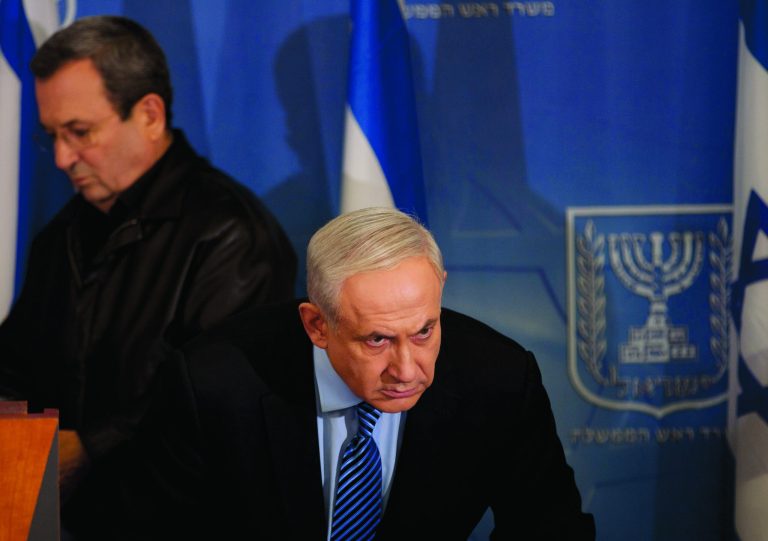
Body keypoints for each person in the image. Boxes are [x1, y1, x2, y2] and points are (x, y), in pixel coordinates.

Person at [0, 15, 296, 537]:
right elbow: (15, 363)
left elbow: (217, 407)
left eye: (80, 132)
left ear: (150, 114)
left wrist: (87, 446)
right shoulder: (63, 232)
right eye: (53, 137)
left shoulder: (233, 236)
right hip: (49, 517)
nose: (64, 158)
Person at [136, 207, 595, 540]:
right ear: (318, 325)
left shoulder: (500, 380)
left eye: (424, 331)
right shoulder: (213, 384)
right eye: (376, 340)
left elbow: (552, 530)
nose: (407, 369)